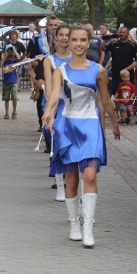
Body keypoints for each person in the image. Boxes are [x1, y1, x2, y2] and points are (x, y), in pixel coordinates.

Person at [43, 25, 121, 248]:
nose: (77, 43)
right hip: (67, 126)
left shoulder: (98, 70)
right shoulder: (61, 70)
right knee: (72, 180)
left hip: (90, 126)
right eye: (74, 39)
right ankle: (74, 223)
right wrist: (48, 112)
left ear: (89, 43)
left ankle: (88, 227)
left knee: (89, 176)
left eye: (82, 40)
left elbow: (105, 100)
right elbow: (55, 95)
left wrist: (114, 124)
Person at [44, 24, 73, 200]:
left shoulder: (77, 59)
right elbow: (49, 86)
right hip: (58, 105)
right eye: (60, 35)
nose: (64, 38)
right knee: (57, 141)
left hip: (76, 106)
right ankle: (60, 184)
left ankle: (72, 182)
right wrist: (50, 110)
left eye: (67, 35)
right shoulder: (50, 60)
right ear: (55, 39)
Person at [104, 26, 137, 95]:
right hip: (115, 75)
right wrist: (106, 39)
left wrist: (126, 69)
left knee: (126, 96)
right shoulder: (114, 44)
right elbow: (102, 49)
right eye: (120, 32)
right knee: (115, 95)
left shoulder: (133, 45)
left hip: (127, 75)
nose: (121, 34)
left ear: (127, 34)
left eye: (123, 32)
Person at [1, 45, 20, 119]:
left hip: (14, 81)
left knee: (14, 97)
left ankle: (14, 111)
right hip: (6, 82)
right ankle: (6, 113)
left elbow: (19, 58)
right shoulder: (5, 61)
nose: (10, 58)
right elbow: (0, 65)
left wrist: (14, 50)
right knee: (6, 98)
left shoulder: (14, 60)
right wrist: (5, 57)